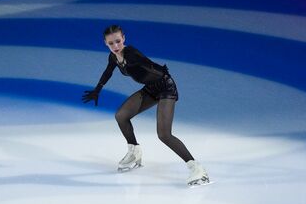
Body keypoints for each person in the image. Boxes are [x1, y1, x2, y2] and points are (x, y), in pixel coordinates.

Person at [82, 24, 210, 186]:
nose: (115, 46)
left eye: (118, 41)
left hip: (165, 87)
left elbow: (146, 63)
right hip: (150, 89)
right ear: (105, 43)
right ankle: (134, 151)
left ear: (124, 39)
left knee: (164, 134)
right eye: (111, 43)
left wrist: (161, 70)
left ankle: (197, 168)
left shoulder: (131, 53)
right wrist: (97, 90)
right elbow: (108, 72)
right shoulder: (113, 57)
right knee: (121, 115)